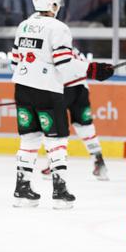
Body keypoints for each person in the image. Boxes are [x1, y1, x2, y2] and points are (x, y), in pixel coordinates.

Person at [10, 0, 114, 209]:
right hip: (48, 91)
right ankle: (59, 191)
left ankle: (22, 190)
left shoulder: (23, 25)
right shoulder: (58, 28)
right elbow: (65, 65)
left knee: (29, 139)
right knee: (57, 141)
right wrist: (93, 69)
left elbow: (14, 62)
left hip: (22, 88)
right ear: (53, 5)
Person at [40, 47, 111, 181]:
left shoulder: (51, 48)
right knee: (85, 127)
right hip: (81, 90)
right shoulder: (72, 48)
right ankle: (99, 162)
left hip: (62, 90)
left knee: (56, 128)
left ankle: (54, 164)